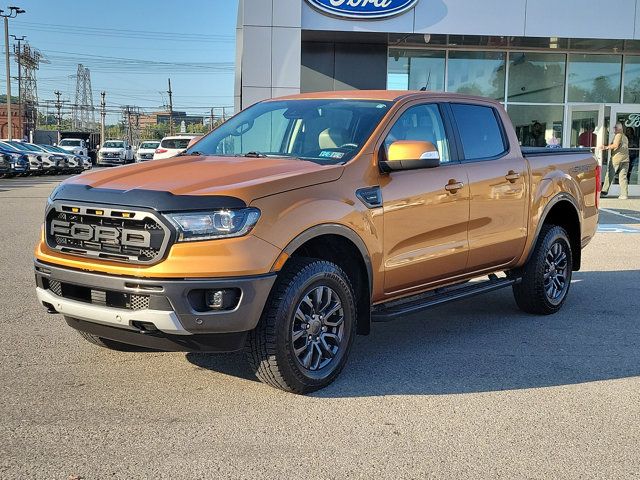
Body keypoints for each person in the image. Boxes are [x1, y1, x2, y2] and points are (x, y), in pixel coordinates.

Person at [600, 123, 630, 200]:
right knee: (623, 177)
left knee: (609, 175)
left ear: (619, 129)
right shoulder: (625, 137)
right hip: (625, 160)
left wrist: (605, 147)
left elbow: (615, 145)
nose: (614, 129)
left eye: (615, 128)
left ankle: (604, 192)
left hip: (616, 159)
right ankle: (624, 194)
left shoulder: (618, 135)